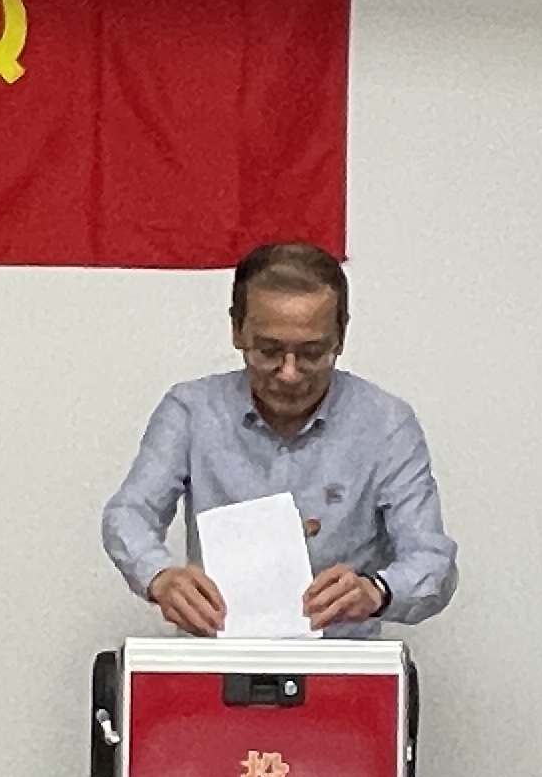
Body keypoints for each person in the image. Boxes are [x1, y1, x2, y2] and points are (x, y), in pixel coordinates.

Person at [101, 242, 455, 637]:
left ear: (340, 336)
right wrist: (159, 576)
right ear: (237, 330)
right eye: (269, 351)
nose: (289, 373)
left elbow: (433, 559)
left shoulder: (386, 424)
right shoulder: (191, 411)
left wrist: (378, 592)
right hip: (218, 655)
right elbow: (129, 513)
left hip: (342, 661)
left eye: (312, 353)